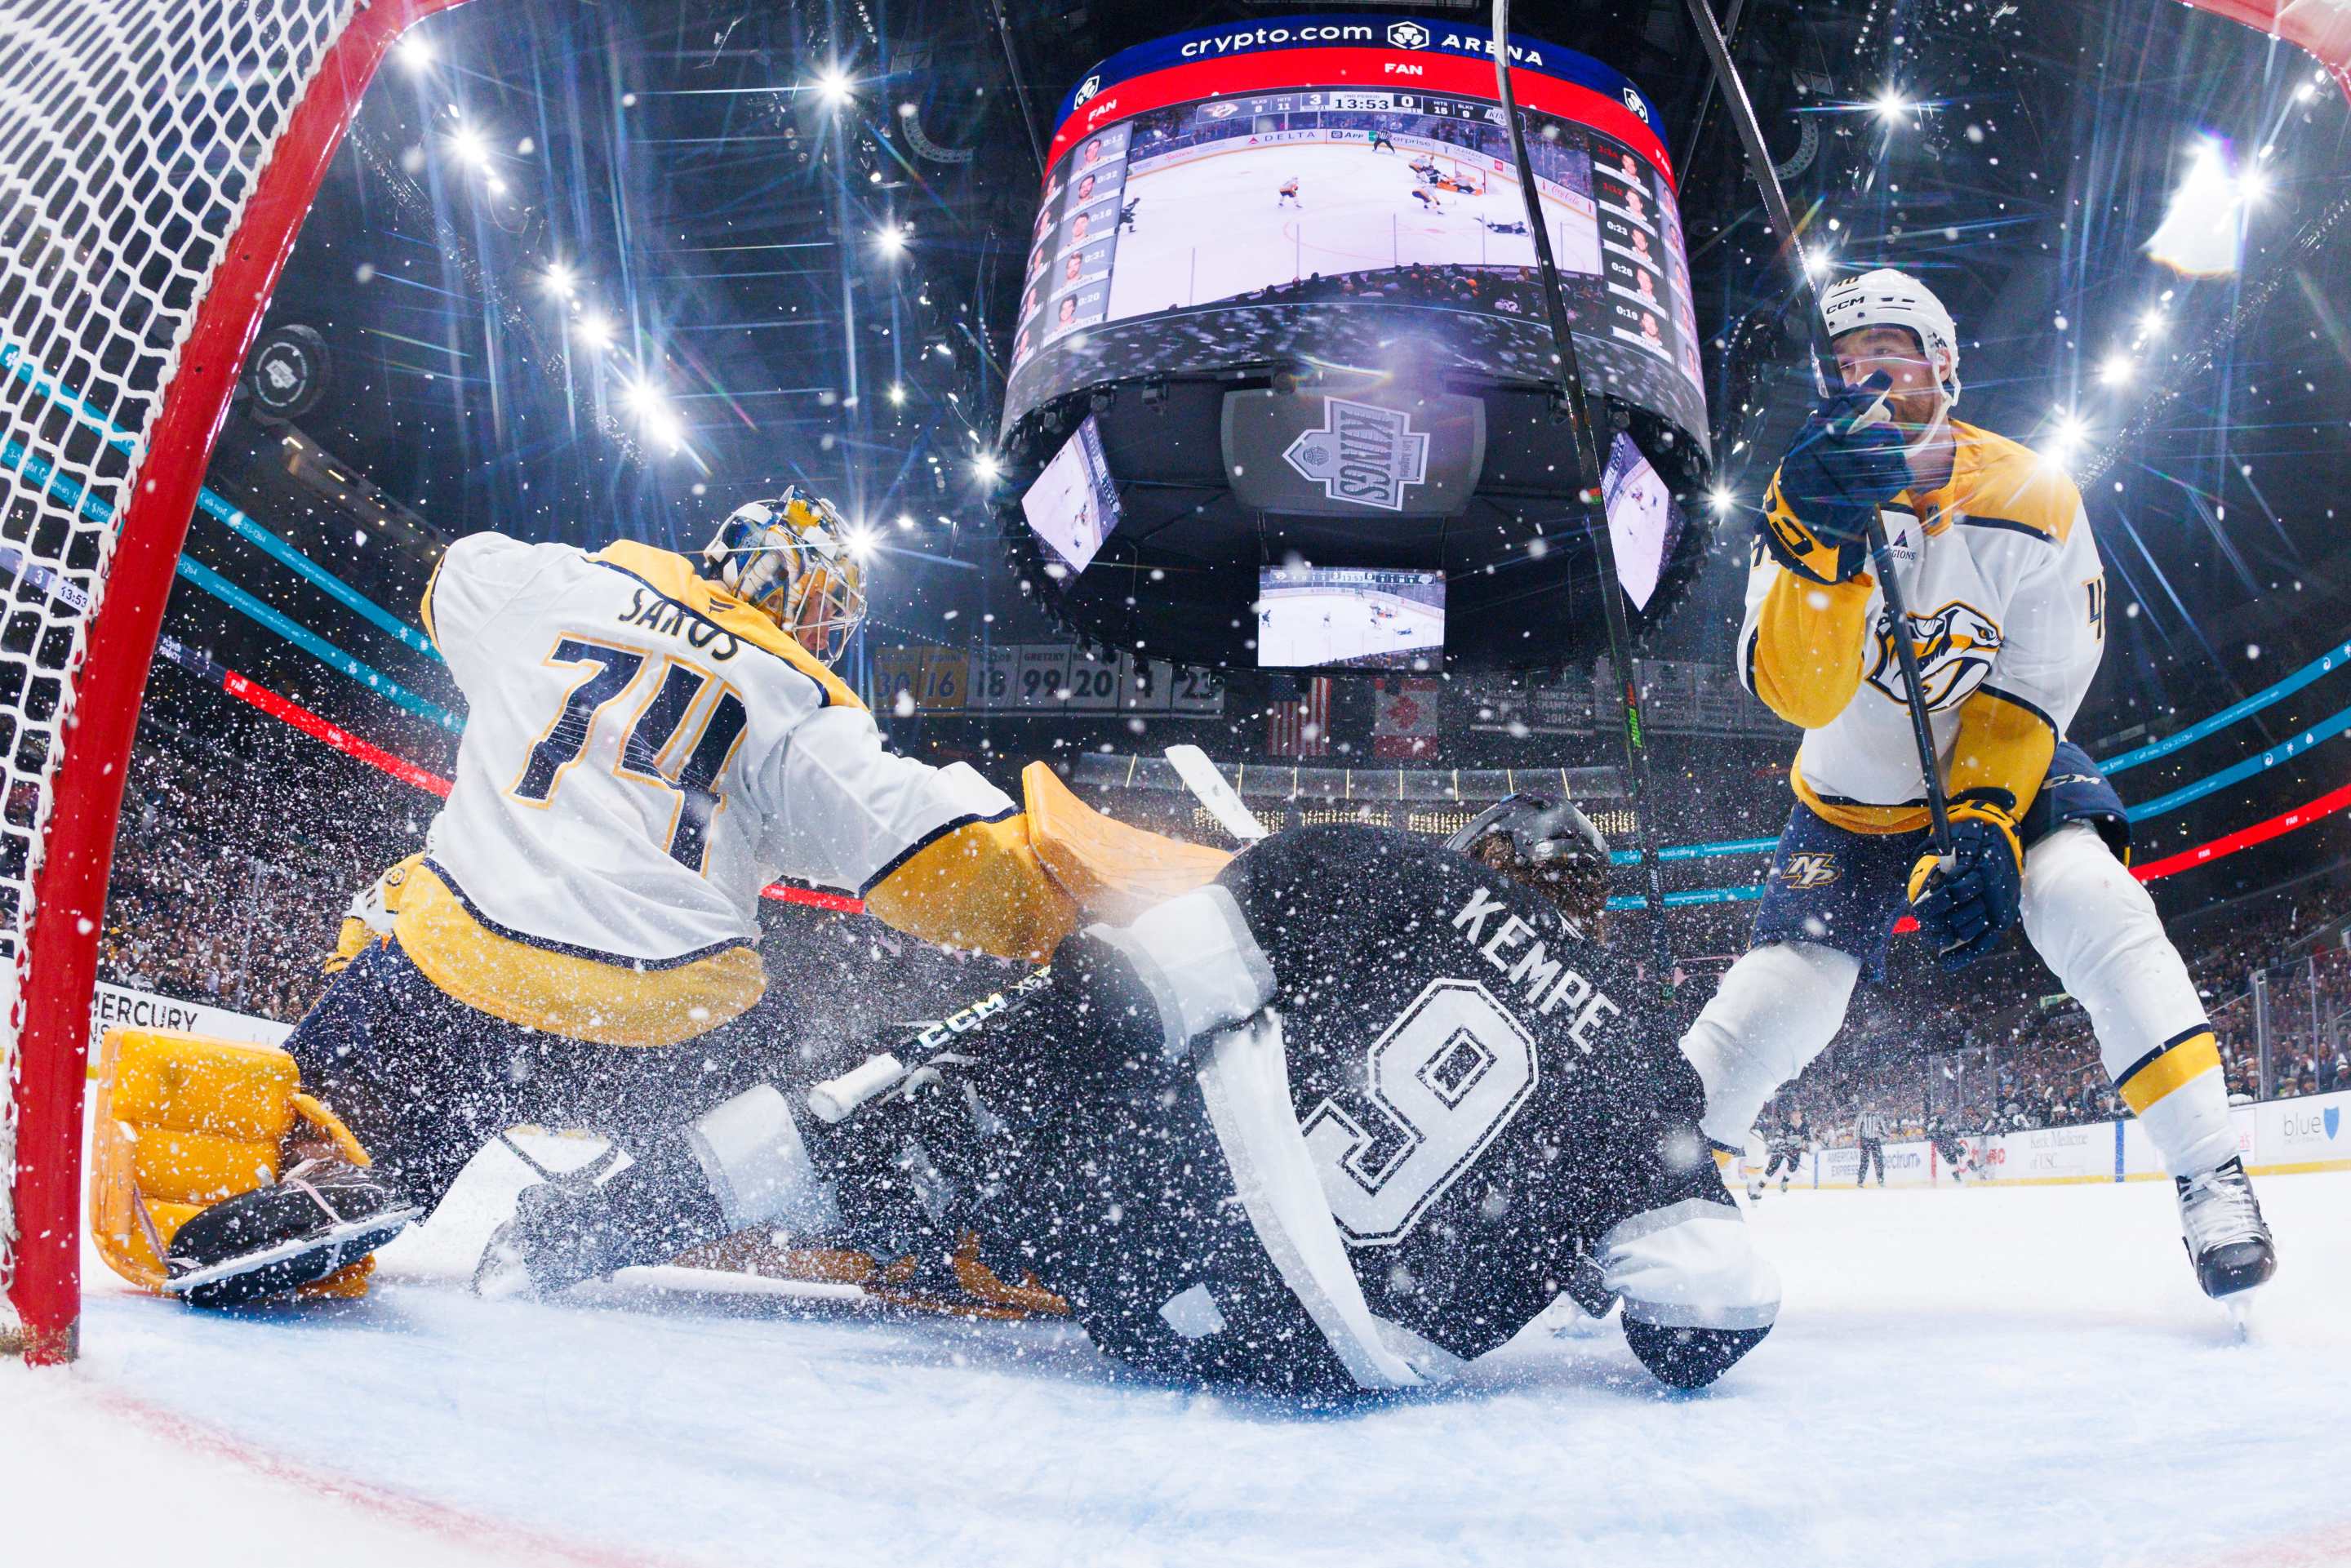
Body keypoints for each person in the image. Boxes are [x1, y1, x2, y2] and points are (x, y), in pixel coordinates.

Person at [151, 490, 1224, 1304]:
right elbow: (945, 868)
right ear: (799, 601)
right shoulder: (799, 702)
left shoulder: (547, 583)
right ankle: (615, 1222)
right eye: (827, 612)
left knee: (398, 904)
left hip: (469, 974)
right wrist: (1060, 909)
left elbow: (451, 581)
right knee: (804, 1110)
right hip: (667, 1023)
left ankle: (349, 1157)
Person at [474, 799, 1781, 1398]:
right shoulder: (1645, 1068)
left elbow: (1122, 993)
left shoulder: (1384, 872)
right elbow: (1709, 1319)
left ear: (1480, 850)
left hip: (1174, 1246)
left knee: (917, 1074)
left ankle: (612, 1218)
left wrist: (1005, 1063)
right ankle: (955, 1185)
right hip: (1361, 1365)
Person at [1676, 267, 2275, 1301]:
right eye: (1848, 361)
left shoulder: (2034, 494)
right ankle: (1658, 1186)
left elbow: (2037, 681)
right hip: (1854, 789)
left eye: (1894, 352)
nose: (1871, 375)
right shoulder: (1804, 490)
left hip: (1998, 759)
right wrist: (1819, 551)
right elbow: (1800, 695)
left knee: (2091, 900)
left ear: (1945, 365)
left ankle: (2210, 1171)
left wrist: (1992, 816)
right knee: (1783, 995)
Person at [1855, 1101, 1889, 1188]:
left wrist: (1887, 1134)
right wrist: (1857, 1140)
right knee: (1864, 1162)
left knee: (1879, 1160)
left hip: (1875, 1139)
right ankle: (1860, 1181)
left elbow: (1882, 1126)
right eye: (1870, 1104)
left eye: (1873, 1104)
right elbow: (1857, 1127)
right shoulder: (1862, 1115)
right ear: (1867, 1106)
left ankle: (1881, 1180)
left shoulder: (1877, 1115)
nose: (1871, 1106)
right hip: (1865, 1140)